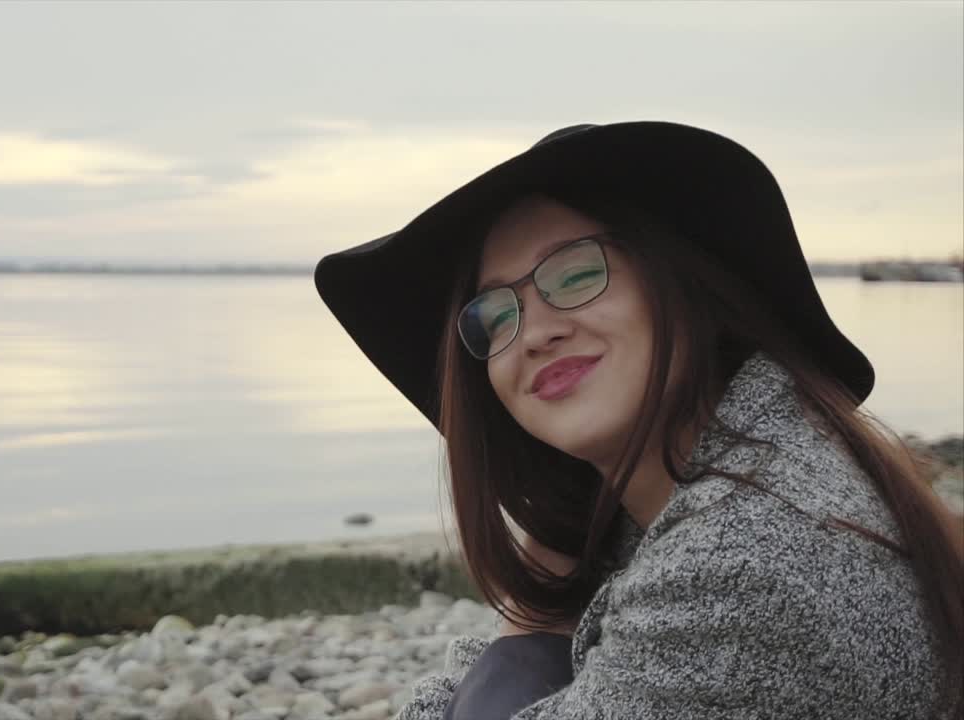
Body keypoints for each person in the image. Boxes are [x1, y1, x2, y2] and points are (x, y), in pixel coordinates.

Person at [313, 122, 963, 719]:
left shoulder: (744, 566)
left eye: (574, 274)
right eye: (495, 315)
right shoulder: (759, 469)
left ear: (684, 285)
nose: (533, 331)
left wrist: (531, 623)